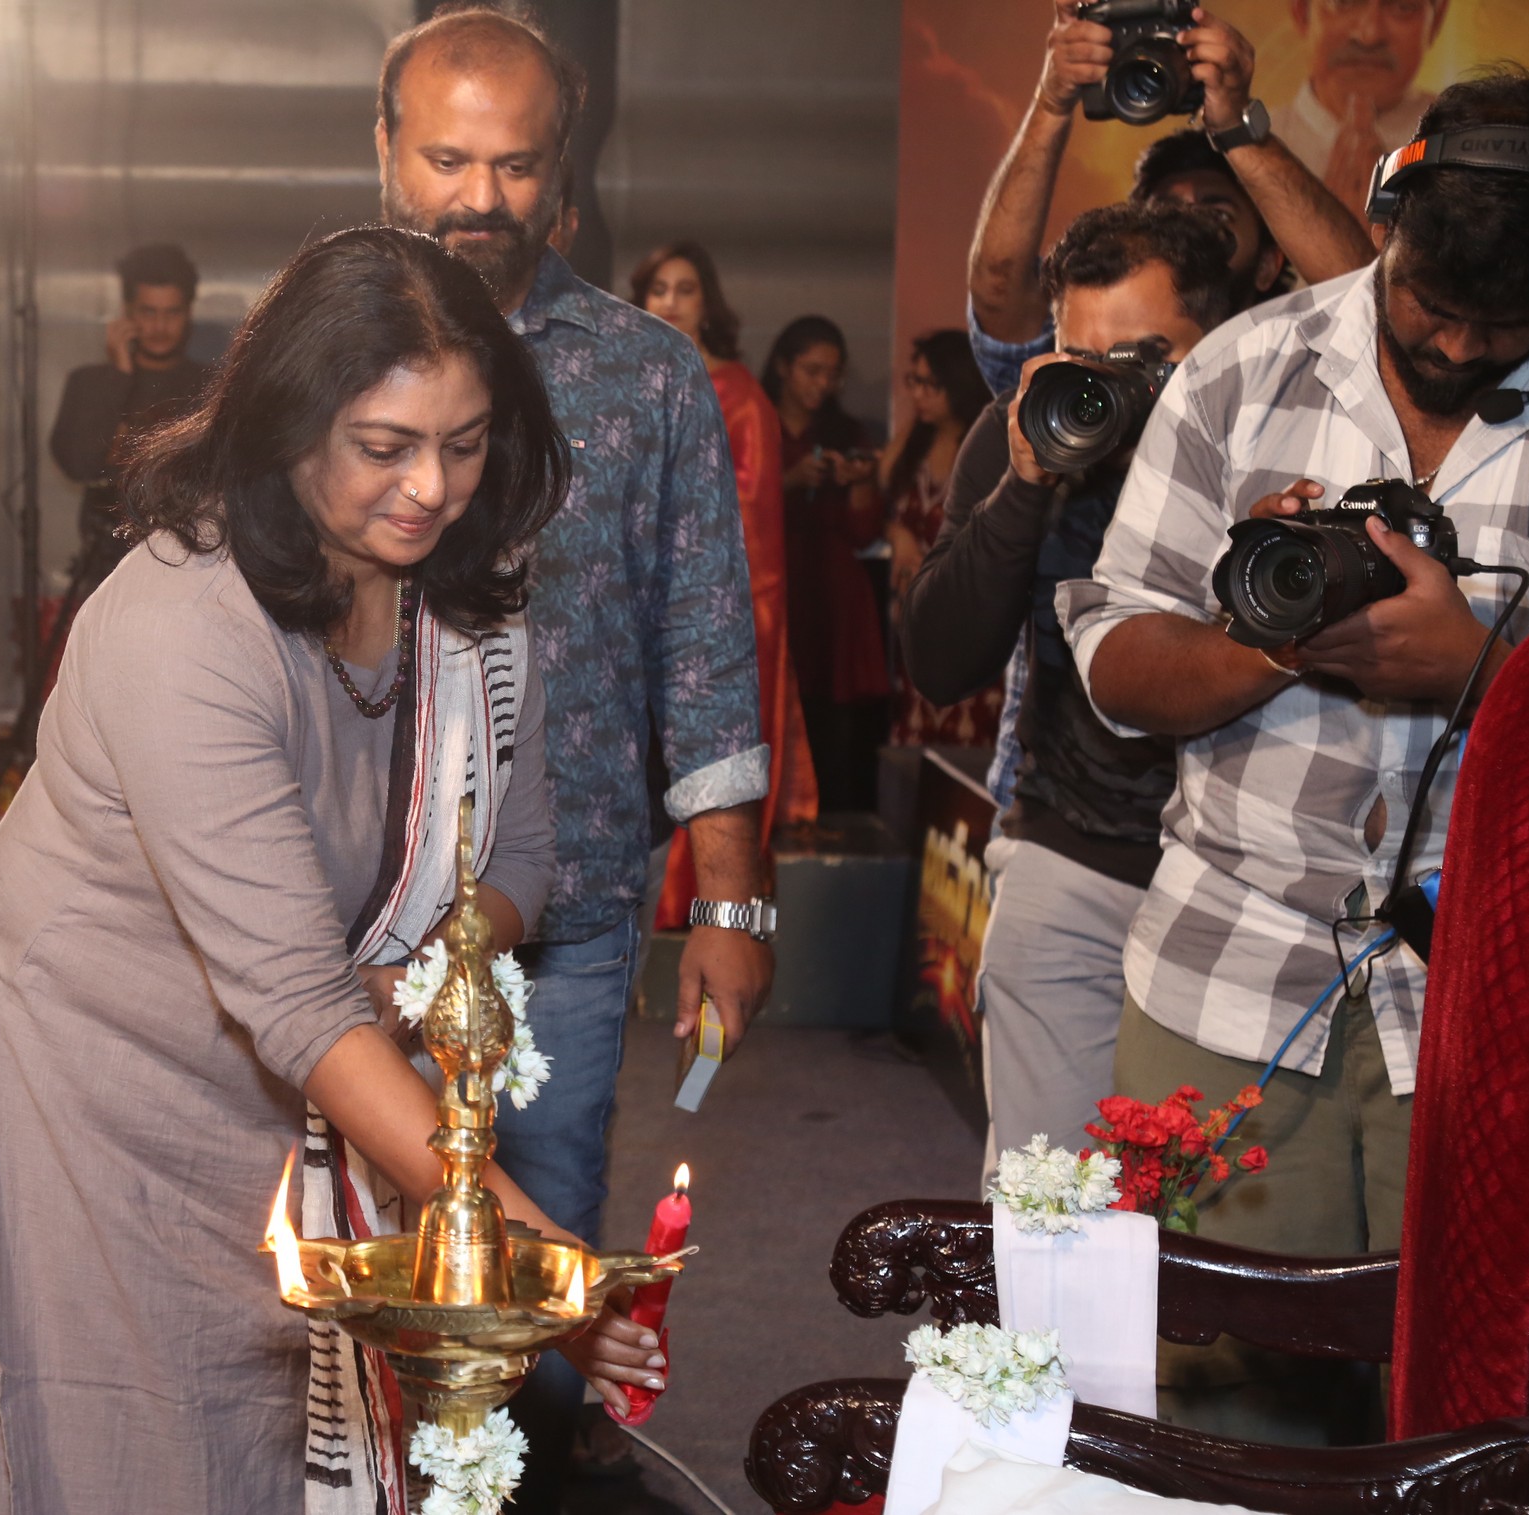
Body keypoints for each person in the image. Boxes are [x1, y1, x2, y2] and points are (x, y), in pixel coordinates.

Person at [0, 225, 659, 1515]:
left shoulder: (469, 597)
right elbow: (302, 1007)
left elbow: (521, 858)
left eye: (466, 443)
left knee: (292, 1447)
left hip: (319, 1082)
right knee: (131, 1455)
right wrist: (546, 1271)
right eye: (385, 448)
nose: (431, 488)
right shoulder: (184, 624)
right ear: (287, 425)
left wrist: (415, 967)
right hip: (88, 1089)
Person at [1062, 67, 1529, 1441]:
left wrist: (1480, 672)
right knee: (1208, 1411)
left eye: (1503, 326)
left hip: (1496, 1015)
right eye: (1427, 305)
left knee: (1472, 1421)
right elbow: (1112, 660)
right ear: (1386, 223)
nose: (1458, 345)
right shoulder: (1244, 367)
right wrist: (1268, 640)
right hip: (1225, 977)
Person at [373, 9, 773, 1500]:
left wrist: (731, 904)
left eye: (515, 164)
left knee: (540, 1274)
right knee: (339, 1260)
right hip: (346, 921)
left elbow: (706, 652)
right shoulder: (309, 355)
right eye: (448, 158)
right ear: (386, 151)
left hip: (580, 922)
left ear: (564, 174)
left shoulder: (649, 376)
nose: (479, 197)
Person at [898, 202, 1233, 1175]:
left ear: (1220, 343)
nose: (1110, 388)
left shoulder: (1271, 445)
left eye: (1144, 359)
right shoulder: (1024, 434)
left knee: (1209, 1217)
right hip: (1071, 857)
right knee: (1047, 1207)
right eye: (1083, 357)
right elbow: (940, 659)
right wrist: (1028, 482)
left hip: (1231, 888)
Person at [969, 0, 1377, 398]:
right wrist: (1053, 100)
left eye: (1216, 213)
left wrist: (1236, 129)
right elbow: (998, 288)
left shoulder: (1293, 373)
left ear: (1269, 264)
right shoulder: (1072, 371)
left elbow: (1363, 302)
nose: (1187, 224)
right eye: (1165, 211)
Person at [632, 240, 817, 929]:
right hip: (633, 604)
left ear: (707, 301)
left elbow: (751, 519)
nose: (671, 302)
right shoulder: (628, 382)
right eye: (658, 289)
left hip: (723, 603)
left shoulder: (740, 393)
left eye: (684, 288)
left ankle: (702, 893)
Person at [763, 316, 887, 813]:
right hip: (779, 586)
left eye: (832, 374)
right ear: (783, 368)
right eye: (811, 370)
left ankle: (834, 847)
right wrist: (787, 480)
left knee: (838, 737)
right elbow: (733, 507)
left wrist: (860, 481)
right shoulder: (757, 421)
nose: (822, 384)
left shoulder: (846, 432)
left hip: (835, 596)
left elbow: (865, 533)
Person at [48, 242, 212, 605]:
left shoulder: (213, 386)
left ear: (188, 314)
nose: (159, 326)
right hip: (107, 566)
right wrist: (119, 375)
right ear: (127, 314)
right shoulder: (90, 383)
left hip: (197, 564)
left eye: (171, 313)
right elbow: (79, 463)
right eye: (147, 312)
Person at [881, 329, 999, 749]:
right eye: (914, 382)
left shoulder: (986, 445)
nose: (920, 395)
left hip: (968, 616)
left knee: (972, 731)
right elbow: (882, 506)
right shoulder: (912, 443)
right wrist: (897, 534)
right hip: (914, 618)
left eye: (932, 385)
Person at [1271, 0, 1448, 213]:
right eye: (1344, 3)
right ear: (1302, 12)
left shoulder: (1472, 149)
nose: (1369, 35)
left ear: (1436, 20)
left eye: (1402, 6)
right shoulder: (1245, 151)